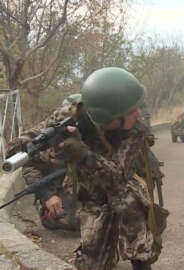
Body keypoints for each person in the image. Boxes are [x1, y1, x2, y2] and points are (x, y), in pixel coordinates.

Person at [49, 67, 162, 269]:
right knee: (93, 264)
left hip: (119, 183)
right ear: (108, 117)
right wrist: (47, 191)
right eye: (131, 111)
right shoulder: (69, 116)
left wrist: (82, 153)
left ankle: (141, 259)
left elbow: (117, 178)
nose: (138, 114)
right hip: (87, 190)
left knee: (131, 197)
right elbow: (28, 148)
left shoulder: (136, 128)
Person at [6, 94, 83, 231]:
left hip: (84, 181)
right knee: (68, 220)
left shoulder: (91, 129)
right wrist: (46, 195)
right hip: (57, 185)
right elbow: (22, 158)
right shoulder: (47, 129)